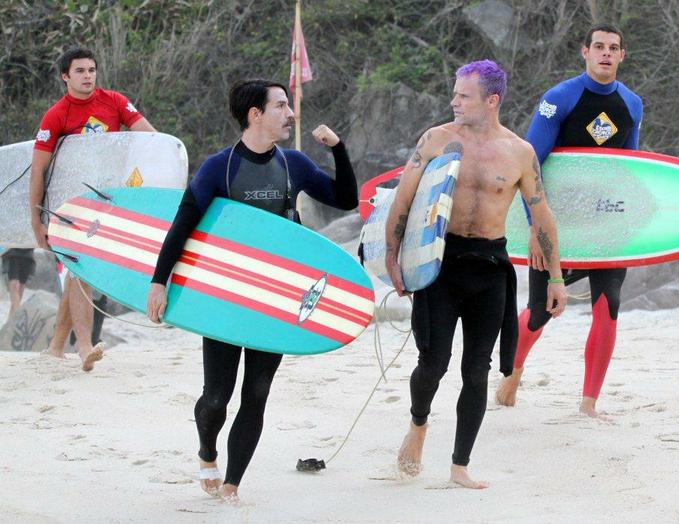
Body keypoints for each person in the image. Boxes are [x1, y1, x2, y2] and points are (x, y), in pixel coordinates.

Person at [146, 79, 358, 502]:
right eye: (280, 106)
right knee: (215, 398)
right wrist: (159, 281)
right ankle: (208, 451)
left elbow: (346, 197)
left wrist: (337, 148)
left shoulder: (293, 164)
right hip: (225, 295)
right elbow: (183, 224)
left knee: (256, 395)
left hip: (278, 296)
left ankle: (232, 484)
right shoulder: (219, 168)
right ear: (255, 114)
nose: (290, 113)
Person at [385, 60, 567, 489]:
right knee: (433, 362)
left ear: (491, 100)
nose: (454, 101)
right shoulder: (436, 140)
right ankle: (418, 424)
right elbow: (403, 202)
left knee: (477, 369)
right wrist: (395, 260)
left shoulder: (519, 152)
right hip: (441, 265)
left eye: (463, 95)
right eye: (454, 93)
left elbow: (541, 217)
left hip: (489, 267)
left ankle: (459, 465)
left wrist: (556, 277)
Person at [496, 24, 643, 418]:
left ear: (622, 55)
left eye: (614, 48)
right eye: (599, 47)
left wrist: (631, 223)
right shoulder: (558, 98)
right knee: (542, 310)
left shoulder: (632, 104)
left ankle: (589, 404)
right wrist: (534, 227)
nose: (606, 53)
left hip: (606, 225)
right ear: (585, 52)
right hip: (556, 223)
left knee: (607, 307)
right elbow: (529, 166)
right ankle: (513, 371)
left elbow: (626, 170)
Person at [29, 47, 156, 371]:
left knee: (79, 271)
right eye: (81, 71)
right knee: (80, 269)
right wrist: (36, 219)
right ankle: (84, 346)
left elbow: (150, 137)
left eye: (92, 70)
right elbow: (37, 170)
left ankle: (57, 346)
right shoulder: (57, 115)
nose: (88, 76)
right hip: (70, 204)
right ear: (65, 76)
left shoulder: (113, 101)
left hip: (107, 201)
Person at [2, 249, 36, 319]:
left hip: (28, 254)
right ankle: (17, 316)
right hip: (12, 253)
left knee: (21, 286)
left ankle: (11, 319)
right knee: (14, 284)